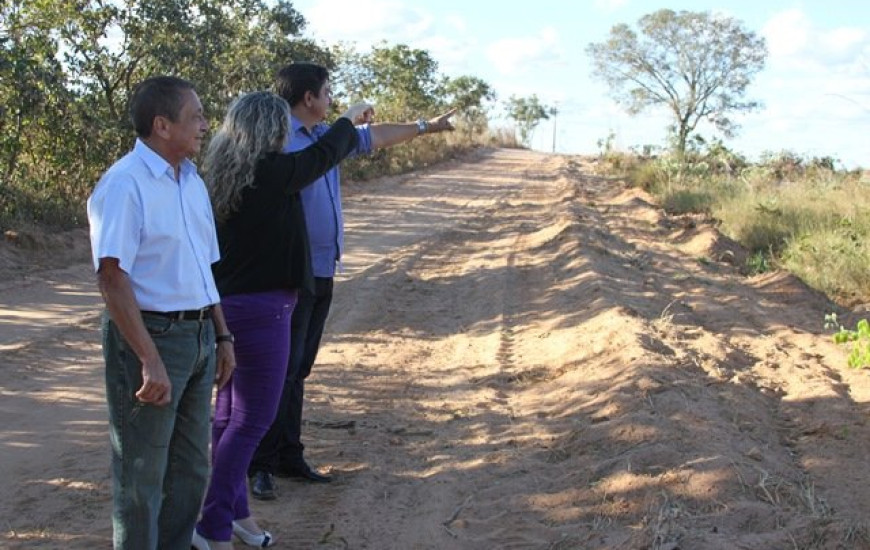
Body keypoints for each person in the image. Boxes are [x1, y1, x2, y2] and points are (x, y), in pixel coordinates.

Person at [247, 62, 455, 500]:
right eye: (326, 92)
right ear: (308, 98)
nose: (330, 99)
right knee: (279, 369)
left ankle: (288, 455)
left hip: (323, 267)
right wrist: (348, 120)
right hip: (289, 272)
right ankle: (259, 464)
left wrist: (425, 126)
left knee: (298, 368)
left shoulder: (325, 136)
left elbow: (373, 137)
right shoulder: (277, 140)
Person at [191, 91, 373, 550]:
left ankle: (236, 515)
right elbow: (323, 155)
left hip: (230, 307)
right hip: (262, 309)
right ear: (270, 129)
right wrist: (347, 121)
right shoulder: (270, 173)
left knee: (229, 414)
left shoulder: (225, 175)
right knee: (253, 419)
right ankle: (211, 524)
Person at [87, 76, 236, 550]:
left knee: (191, 469)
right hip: (150, 337)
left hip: (198, 339)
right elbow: (112, 277)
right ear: (162, 124)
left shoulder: (192, 182)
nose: (205, 125)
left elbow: (201, 268)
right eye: (196, 116)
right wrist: (148, 357)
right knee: (141, 474)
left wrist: (222, 336)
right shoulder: (124, 184)